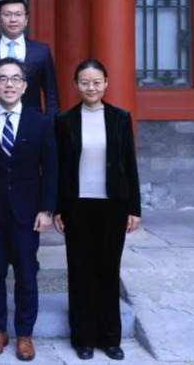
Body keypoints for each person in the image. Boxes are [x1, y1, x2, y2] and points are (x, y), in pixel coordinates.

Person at [0, 58, 57, 361]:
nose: (9, 84)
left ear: (25, 86)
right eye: (2, 79)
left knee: (26, 275)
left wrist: (47, 209)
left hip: (27, 213)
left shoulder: (40, 122)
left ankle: (25, 334)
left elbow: (51, 170)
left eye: (15, 79)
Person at [54, 59, 142, 362]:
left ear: (106, 83)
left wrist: (134, 209)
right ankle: (83, 338)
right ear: (76, 85)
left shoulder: (120, 118)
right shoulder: (64, 120)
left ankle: (110, 338)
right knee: (80, 272)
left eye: (96, 82)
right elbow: (59, 168)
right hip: (76, 205)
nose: (90, 87)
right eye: (84, 82)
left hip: (113, 205)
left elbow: (129, 164)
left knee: (108, 271)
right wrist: (57, 208)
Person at [0, 0, 59, 116]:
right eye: (7, 15)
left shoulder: (41, 51)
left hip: (33, 120)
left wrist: (52, 122)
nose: (13, 19)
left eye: (18, 14)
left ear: (26, 20)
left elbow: (51, 93)